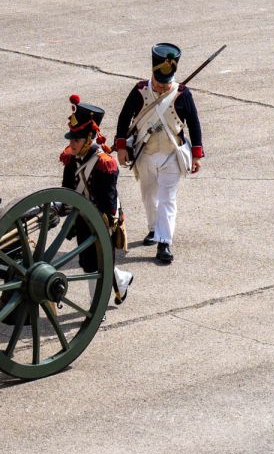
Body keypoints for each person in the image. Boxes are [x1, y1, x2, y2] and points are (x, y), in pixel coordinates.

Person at [114, 43, 204, 265]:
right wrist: (122, 147)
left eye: (166, 82)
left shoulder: (182, 94)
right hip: (145, 153)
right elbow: (124, 117)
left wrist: (197, 154)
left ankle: (165, 241)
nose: (162, 86)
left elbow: (193, 123)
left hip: (172, 154)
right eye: (159, 82)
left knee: (167, 198)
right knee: (148, 194)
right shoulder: (139, 91)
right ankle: (154, 229)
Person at [60, 97, 133, 305]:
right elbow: (67, 188)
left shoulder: (104, 164)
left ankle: (96, 307)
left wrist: (108, 225)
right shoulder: (71, 157)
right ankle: (121, 279)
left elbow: (108, 201)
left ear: (90, 137)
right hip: (82, 217)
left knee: (96, 263)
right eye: (71, 139)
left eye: (76, 140)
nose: (71, 144)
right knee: (88, 261)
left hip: (102, 219)